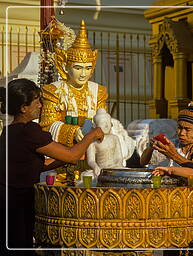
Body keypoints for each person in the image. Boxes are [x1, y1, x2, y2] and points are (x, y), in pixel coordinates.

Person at [0, 78, 104, 255]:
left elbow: (36, 165)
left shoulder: (10, 130)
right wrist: (91, 135)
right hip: (17, 204)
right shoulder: (29, 131)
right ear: (23, 108)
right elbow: (71, 154)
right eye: (37, 101)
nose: (41, 105)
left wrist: (73, 156)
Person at [39, 19, 108, 147]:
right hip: (62, 154)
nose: (83, 74)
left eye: (88, 68)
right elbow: (46, 125)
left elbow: (103, 122)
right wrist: (72, 132)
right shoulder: (53, 90)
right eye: (78, 68)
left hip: (92, 150)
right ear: (66, 66)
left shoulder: (99, 91)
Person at [140, 102, 193, 169]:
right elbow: (143, 162)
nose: (181, 133)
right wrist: (150, 148)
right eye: (180, 128)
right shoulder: (171, 144)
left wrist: (173, 155)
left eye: (187, 129)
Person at [86, 108, 124, 179]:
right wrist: (95, 167)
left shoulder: (115, 138)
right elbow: (91, 160)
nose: (106, 125)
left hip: (115, 168)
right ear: (95, 126)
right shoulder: (93, 141)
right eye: (103, 123)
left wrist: (118, 165)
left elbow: (119, 157)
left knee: (127, 173)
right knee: (86, 176)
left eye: (108, 122)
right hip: (101, 169)